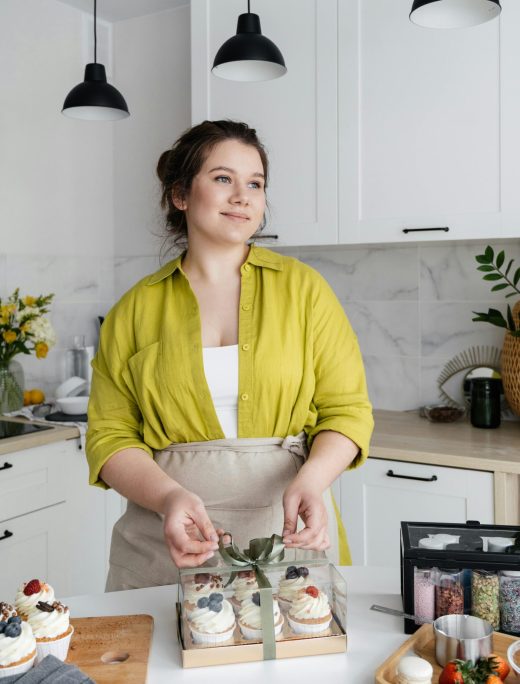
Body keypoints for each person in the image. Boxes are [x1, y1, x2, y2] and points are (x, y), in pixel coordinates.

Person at [86, 120, 374, 591]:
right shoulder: (132, 311)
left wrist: (312, 482)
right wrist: (170, 497)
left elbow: (348, 411)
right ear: (181, 194)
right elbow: (109, 436)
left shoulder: (306, 291)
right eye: (223, 179)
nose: (243, 196)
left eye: (255, 184)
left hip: (284, 534)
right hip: (165, 541)